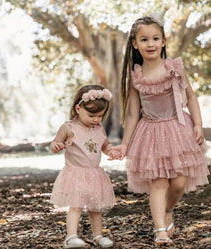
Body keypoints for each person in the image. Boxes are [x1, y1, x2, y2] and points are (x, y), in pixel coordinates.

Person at [109, 16, 210, 247]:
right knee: (159, 182)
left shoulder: (174, 67)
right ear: (135, 44)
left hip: (177, 128)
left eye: (155, 38)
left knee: (178, 184)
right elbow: (133, 114)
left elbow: (191, 97)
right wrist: (125, 144)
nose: (150, 43)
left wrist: (197, 124)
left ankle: (167, 210)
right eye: (144, 39)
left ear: (163, 41)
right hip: (151, 133)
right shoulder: (135, 77)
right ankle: (160, 231)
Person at [50, 84, 117, 249]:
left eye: (100, 116)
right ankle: (71, 236)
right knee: (76, 205)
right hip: (76, 174)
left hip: (95, 175)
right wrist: (56, 145)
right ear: (78, 108)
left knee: (96, 208)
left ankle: (98, 236)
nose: (96, 119)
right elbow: (55, 142)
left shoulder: (99, 128)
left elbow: (105, 144)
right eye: (92, 115)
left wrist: (111, 151)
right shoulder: (69, 127)